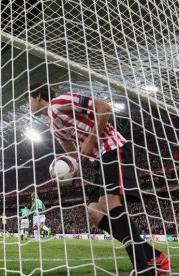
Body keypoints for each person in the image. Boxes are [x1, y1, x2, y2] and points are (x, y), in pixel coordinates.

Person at [26, 84, 170, 275]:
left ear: (37, 96)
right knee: (94, 213)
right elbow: (75, 155)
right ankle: (153, 255)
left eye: (27, 100)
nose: (27, 105)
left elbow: (104, 108)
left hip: (112, 147)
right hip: (98, 162)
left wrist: (90, 140)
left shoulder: (59, 103)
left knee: (108, 202)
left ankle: (143, 269)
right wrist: (65, 168)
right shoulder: (54, 127)